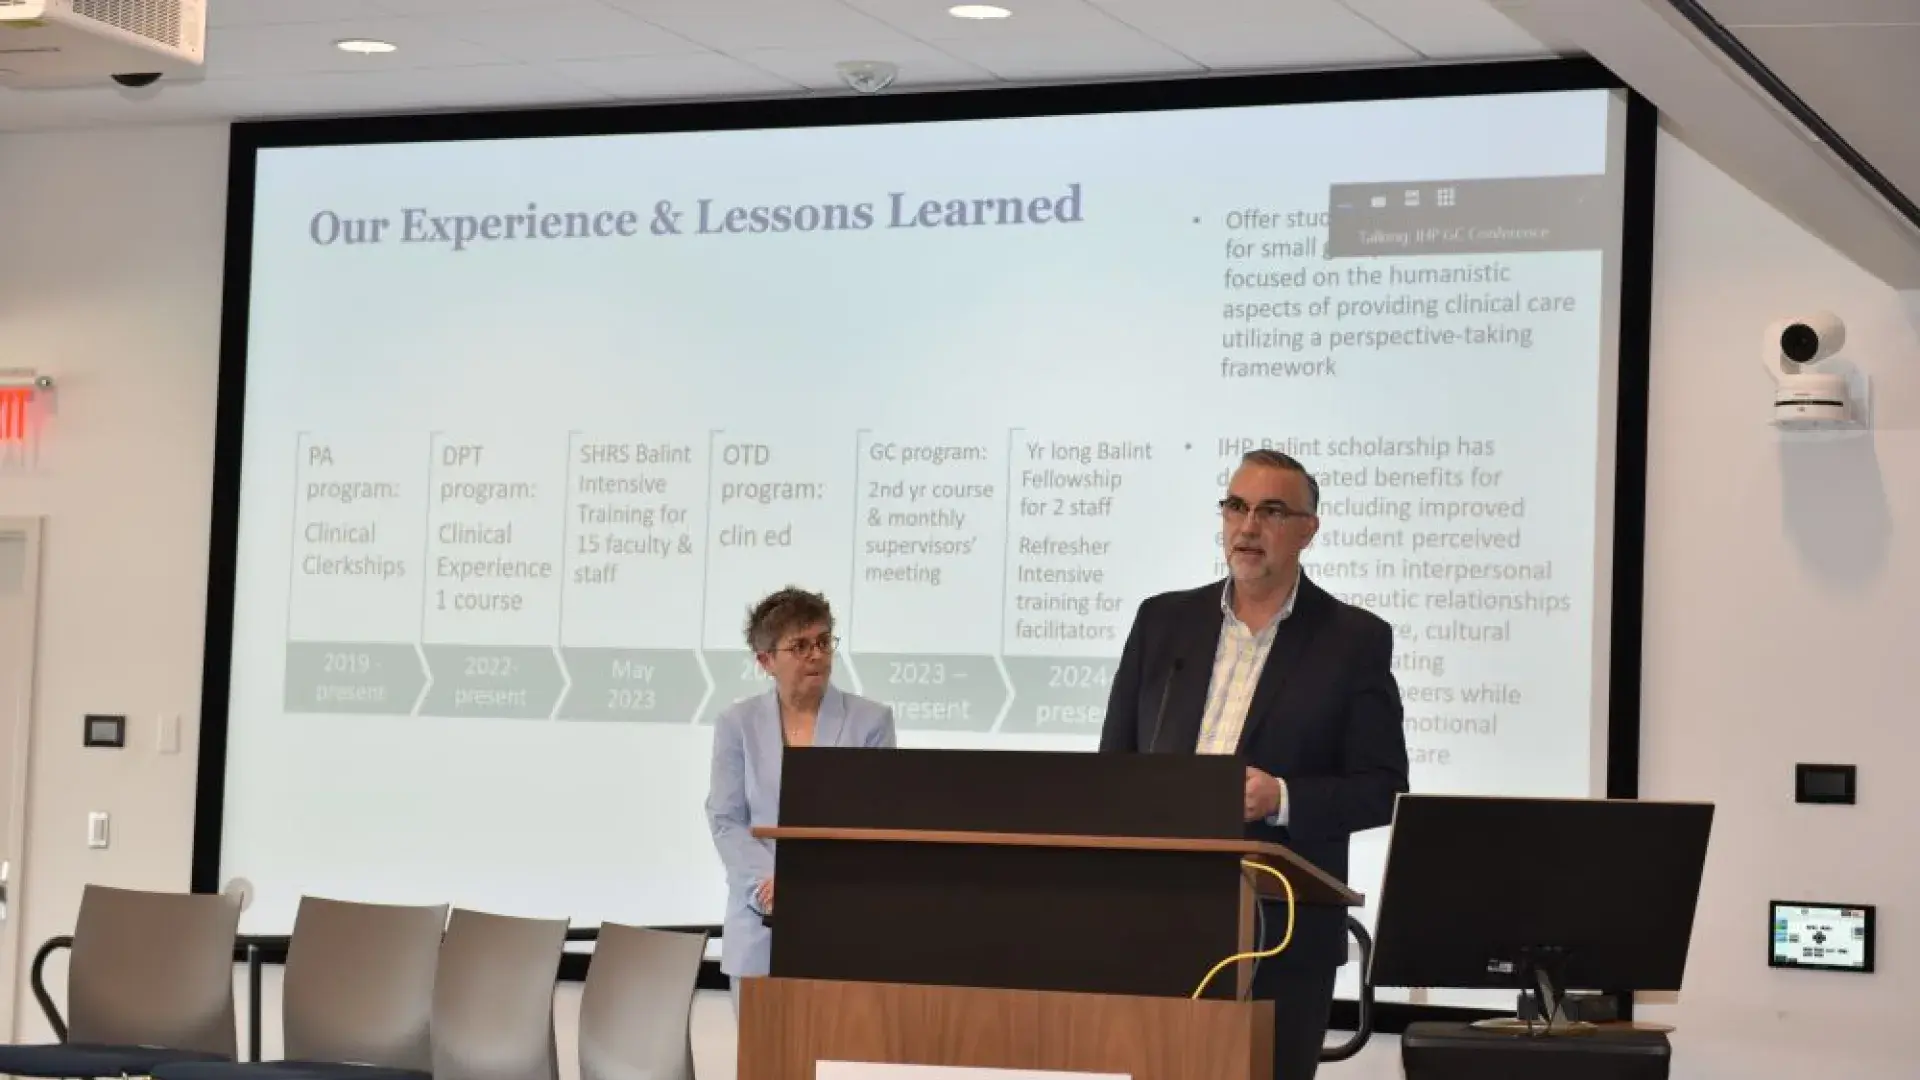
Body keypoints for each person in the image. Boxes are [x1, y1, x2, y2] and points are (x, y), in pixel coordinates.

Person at [1099, 449, 1409, 1080]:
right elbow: (1113, 768)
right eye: (1236, 507)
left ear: (1307, 531)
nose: (1247, 527)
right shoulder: (1162, 622)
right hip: (1166, 925)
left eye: (1271, 511)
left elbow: (1382, 788)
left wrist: (1283, 798)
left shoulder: (1353, 641)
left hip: (1286, 938)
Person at [705, 586, 897, 1013]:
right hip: (759, 930)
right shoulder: (736, 724)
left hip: (843, 929)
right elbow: (725, 819)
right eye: (800, 645)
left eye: (824, 642)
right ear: (766, 661)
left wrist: (808, 885)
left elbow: (876, 821)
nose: (817, 655)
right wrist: (773, 885)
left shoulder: (871, 723)